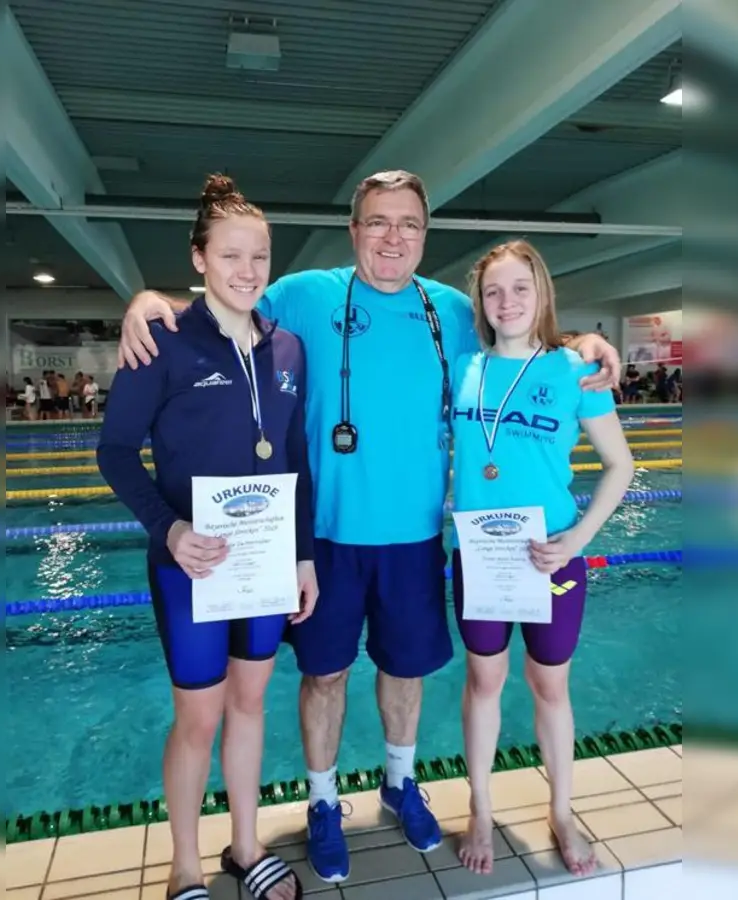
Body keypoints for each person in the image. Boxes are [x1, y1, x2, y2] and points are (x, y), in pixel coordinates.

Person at [116, 170, 622, 881]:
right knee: (322, 676)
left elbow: (519, 334)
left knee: (404, 674)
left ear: (424, 235)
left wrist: (587, 344)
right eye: (378, 222)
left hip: (416, 538)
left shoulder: (449, 310)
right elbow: (224, 305)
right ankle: (324, 801)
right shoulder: (303, 296)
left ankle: (399, 779)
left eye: (408, 224)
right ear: (354, 231)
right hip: (322, 539)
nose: (393, 237)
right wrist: (148, 303)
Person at [98, 174, 317, 900]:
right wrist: (171, 528)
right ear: (198, 258)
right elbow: (115, 451)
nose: (247, 271)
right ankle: (185, 865)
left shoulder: (287, 349)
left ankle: (246, 846)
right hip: (188, 566)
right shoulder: (160, 341)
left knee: (251, 704)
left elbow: (295, 460)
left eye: (259, 257)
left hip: (261, 565)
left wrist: (304, 557)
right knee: (197, 716)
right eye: (230, 257)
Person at [448, 242, 634, 878]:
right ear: (480, 301)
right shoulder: (463, 367)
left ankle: (561, 810)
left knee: (549, 685)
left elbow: (622, 465)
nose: (507, 303)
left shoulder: (571, 370)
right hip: (479, 555)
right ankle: (479, 808)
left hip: (550, 556)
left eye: (520, 289)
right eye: (494, 291)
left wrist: (579, 538)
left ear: (541, 293)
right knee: (484, 682)